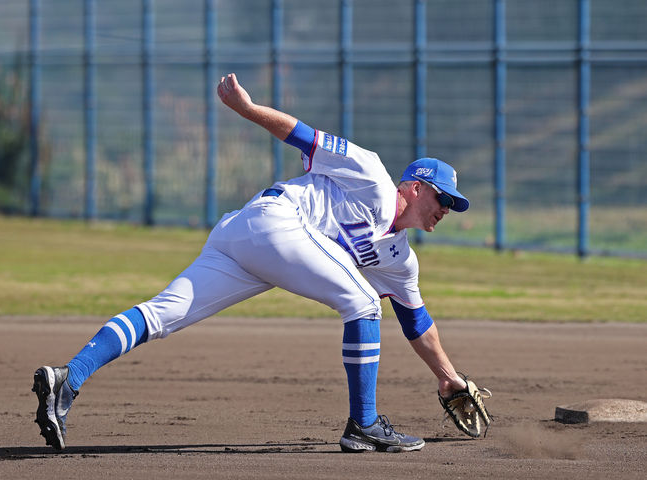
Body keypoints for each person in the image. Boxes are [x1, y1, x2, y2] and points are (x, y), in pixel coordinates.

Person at [33, 73, 470, 453]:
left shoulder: (399, 259)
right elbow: (305, 135)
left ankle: (67, 379)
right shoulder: (372, 174)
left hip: (244, 242)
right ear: (414, 187)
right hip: (272, 220)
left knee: (162, 314)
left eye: (452, 204)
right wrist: (247, 108)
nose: (446, 208)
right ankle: (365, 426)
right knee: (363, 304)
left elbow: (416, 321)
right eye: (442, 197)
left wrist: (449, 377)